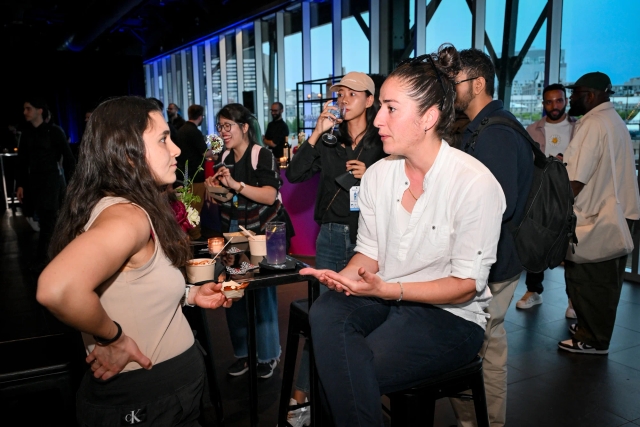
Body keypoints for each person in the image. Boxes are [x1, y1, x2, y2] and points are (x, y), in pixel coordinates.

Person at [302, 44, 505, 426]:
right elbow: (369, 252)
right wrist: (343, 277)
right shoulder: (380, 174)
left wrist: (386, 290)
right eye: (380, 106)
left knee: (347, 374)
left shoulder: (474, 183)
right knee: (326, 310)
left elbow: (464, 285)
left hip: (451, 315)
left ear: (428, 117)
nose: (378, 120)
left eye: (390, 108)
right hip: (388, 293)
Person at [36, 96, 231, 425]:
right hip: (149, 402)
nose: (177, 150)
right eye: (162, 139)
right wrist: (113, 337)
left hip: (160, 397)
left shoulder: (114, 204)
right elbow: (58, 289)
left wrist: (188, 294)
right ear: (127, 154)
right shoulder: (127, 217)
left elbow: (123, 288)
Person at [284, 71, 386, 425]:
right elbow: (295, 174)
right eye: (338, 93)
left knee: (365, 315)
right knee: (325, 315)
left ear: (370, 100)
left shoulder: (382, 139)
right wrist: (315, 132)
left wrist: (369, 174)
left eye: (351, 93)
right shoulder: (328, 139)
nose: (342, 99)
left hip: (369, 239)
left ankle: (356, 389)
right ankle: (306, 394)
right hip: (330, 235)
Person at [450, 48, 534, 427]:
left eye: (454, 83)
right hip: (494, 258)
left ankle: (481, 422)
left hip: (493, 261)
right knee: (488, 344)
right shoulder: (487, 127)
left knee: (478, 347)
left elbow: (497, 206)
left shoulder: (494, 133)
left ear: (477, 83)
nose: (450, 91)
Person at [204, 103, 292, 379]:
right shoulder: (224, 157)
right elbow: (228, 198)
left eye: (227, 125)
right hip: (233, 230)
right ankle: (243, 353)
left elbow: (268, 195)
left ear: (244, 127)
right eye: (219, 126)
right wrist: (214, 190)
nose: (223, 131)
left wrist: (236, 186)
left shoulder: (261, 155)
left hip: (264, 231)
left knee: (262, 292)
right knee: (234, 291)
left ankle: (267, 355)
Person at [558, 72, 640, 355]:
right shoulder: (614, 120)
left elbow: (576, 180)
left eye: (576, 93)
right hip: (619, 211)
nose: (572, 99)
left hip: (600, 216)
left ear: (590, 96)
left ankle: (593, 338)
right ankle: (590, 328)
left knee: (590, 281)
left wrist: (554, 206)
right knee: (606, 279)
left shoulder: (592, 123)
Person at [516, 83, 577, 316]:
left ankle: (574, 300)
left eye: (559, 101)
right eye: (549, 102)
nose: (554, 106)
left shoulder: (578, 129)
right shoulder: (532, 130)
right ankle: (534, 291)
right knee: (538, 239)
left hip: (572, 192)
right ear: (543, 104)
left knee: (572, 245)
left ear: (565, 101)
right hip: (542, 195)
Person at [16, 97, 75, 267]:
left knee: (49, 219)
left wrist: (72, 183)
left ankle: (43, 259)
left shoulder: (54, 131)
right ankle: (52, 257)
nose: (25, 112)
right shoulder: (26, 134)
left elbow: (69, 158)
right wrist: (20, 184)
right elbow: (21, 161)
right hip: (35, 181)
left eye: (28, 108)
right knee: (46, 219)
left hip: (52, 180)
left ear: (39, 110)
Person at [176, 104, 207, 239]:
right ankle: (196, 240)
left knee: (186, 209)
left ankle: (188, 240)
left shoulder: (180, 130)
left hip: (182, 176)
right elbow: (204, 152)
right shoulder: (195, 132)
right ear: (200, 117)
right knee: (194, 211)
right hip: (196, 177)